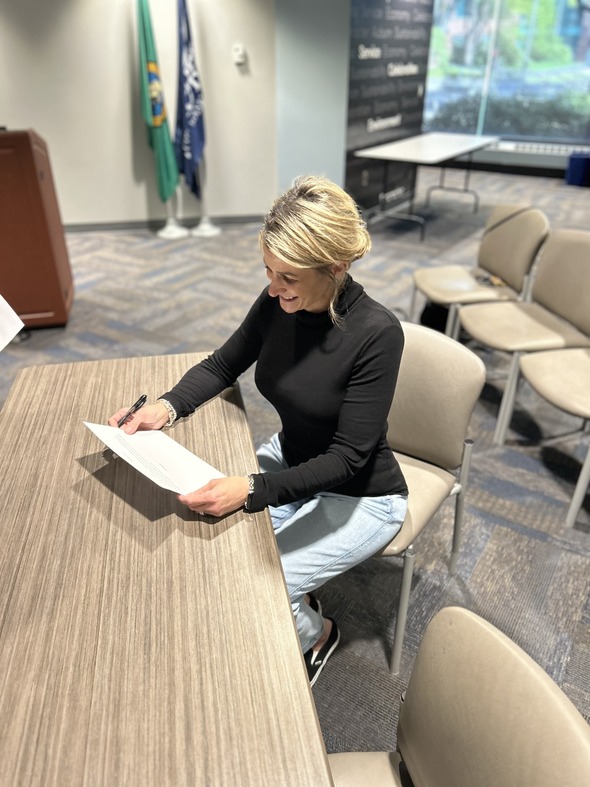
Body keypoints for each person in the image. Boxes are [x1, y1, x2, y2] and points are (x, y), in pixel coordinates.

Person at [109, 175, 408, 686]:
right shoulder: (278, 302)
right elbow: (224, 364)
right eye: (268, 271)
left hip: (361, 494)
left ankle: (316, 632)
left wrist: (251, 490)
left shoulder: (377, 334)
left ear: (335, 267)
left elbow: (348, 459)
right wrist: (166, 407)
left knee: (264, 581)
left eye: (287, 276)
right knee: (214, 544)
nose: (273, 288)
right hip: (292, 459)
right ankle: (303, 581)